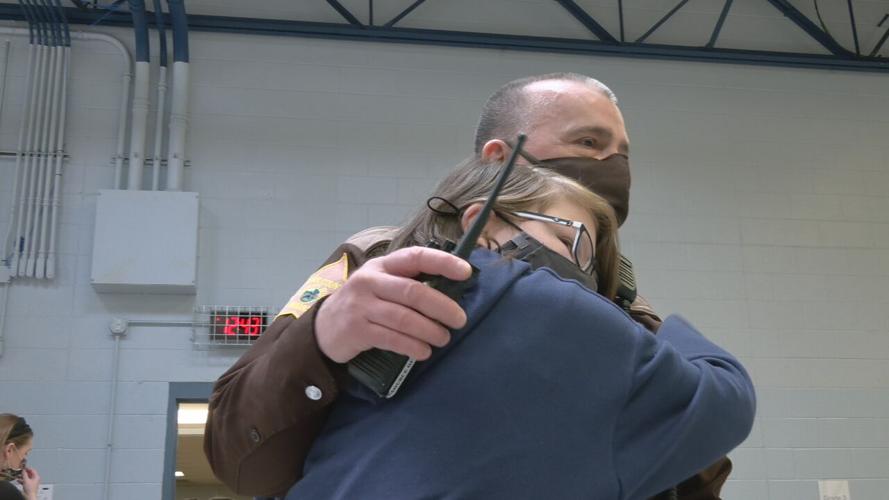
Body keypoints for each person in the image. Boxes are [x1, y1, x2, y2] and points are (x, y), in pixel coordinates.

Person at [204, 73, 733, 498]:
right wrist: (321, 338)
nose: (613, 165)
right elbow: (236, 454)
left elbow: (694, 473)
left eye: (622, 151)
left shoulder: (630, 309)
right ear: (498, 159)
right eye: (589, 142)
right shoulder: (380, 260)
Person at [285, 158, 756, 499]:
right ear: (484, 224)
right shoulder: (543, 304)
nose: (582, 275)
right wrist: (660, 323)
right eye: (572, 241)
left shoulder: (363, 334)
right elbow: (725, 399)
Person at [0, 414, 40, 500]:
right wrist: (32, 494)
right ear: (9, 450)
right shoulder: (6, 492)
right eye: (25, 452)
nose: (24, 459)